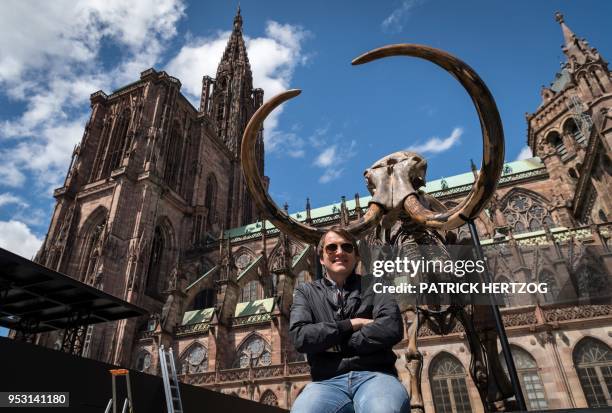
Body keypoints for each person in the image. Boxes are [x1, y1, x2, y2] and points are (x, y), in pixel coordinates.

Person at [289, 226, 410, 413]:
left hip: (375, 375)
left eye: (347, 247)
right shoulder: (305, 291)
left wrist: (335, 343)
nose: (339, 252)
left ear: (357, 256)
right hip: (326, 382)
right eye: (332, 248)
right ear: (321, 258)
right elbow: (301, 337)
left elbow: (391, 328)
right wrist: (352, 324)